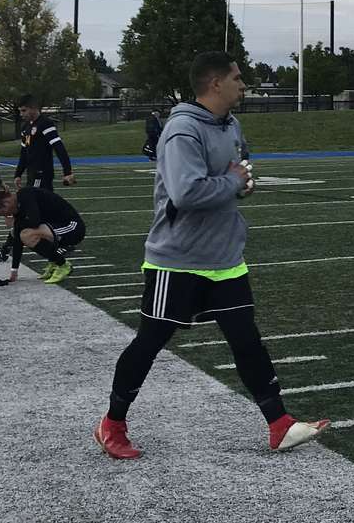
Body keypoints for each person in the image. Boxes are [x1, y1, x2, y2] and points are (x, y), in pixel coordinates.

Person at [96, 52, 327, 460]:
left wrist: (241, 183)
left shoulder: (231, 124)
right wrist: (231, 182)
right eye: (237, 78)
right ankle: (112, 422)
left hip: (224, 256)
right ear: (215, 83)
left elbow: (235, 172)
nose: (244, 84)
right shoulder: (182, 130)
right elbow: (186, 193)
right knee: (150, 342)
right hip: (177, 258)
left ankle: (279, 423)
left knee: (246, 339)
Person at [0, 186, 86, 284]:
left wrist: (17, 225)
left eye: (3, 213)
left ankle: (63, 265)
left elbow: (35, 221)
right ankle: (54, 261)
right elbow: (18, 239)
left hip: (73, 227)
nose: (6, 216)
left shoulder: (26, 194)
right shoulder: (18, 205)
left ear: (6, 203)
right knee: (22, 233)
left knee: (27, 234)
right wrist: (14, 270)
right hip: (56, 227)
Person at [13, 95, 75, 191]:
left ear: (34, 108)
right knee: (41, 203)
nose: (21, 114)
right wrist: (18, 174)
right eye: (20, 111)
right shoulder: (25, 128)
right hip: (31, 173)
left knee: (35, 201)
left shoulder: (45, 124)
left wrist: (67, 171)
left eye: (24, 110)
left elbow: (59, 147)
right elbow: (24, 152)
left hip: (42, 173)